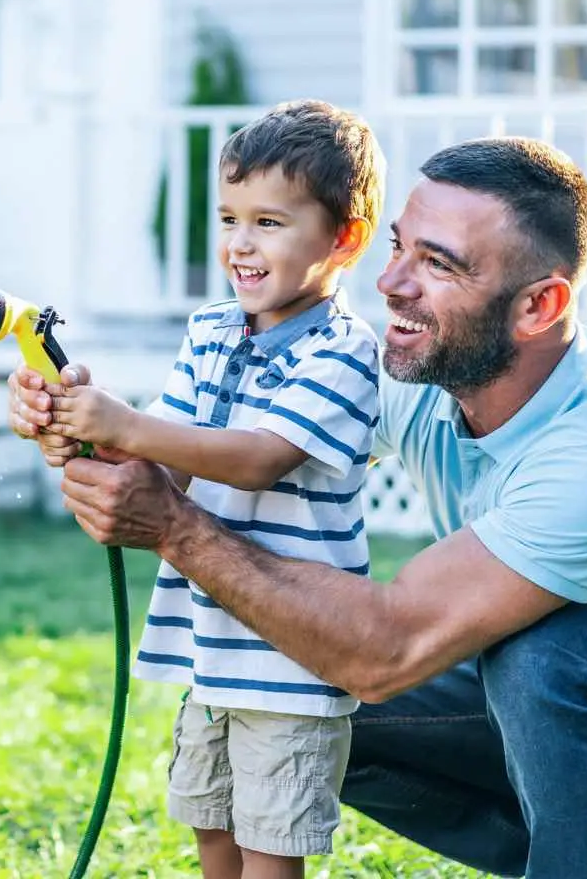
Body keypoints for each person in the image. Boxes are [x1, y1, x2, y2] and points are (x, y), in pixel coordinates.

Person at [9, 135, 587, 879]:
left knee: (543, 657)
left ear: (539, 305)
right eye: (400, 247)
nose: (390, 282)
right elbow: (219, 449)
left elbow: (387, 650)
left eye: (439, 265)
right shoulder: (418, 376)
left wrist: (172, 528)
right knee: (301, 689)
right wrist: (83, 425)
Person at [30, 99, 387, 879]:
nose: (240, 244)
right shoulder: (211, 331)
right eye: (229, 219)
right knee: (212, 831)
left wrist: (124, 425)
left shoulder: (343, 350)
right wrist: (73, 422)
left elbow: (258, 459)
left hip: (292, 662)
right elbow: (169, 464)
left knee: (269, 848)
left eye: (269, 222)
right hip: (211, 649)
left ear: (345, 239)